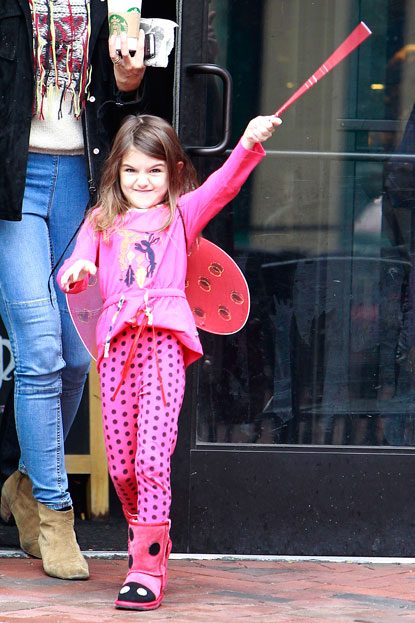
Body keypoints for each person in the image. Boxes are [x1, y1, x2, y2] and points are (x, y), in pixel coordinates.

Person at [57, 112, 281, 609]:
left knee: (152, 460)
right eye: (132, 170)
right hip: (116, 350)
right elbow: (75, 266)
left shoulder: (182, 214)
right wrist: (78, 270)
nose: (142, 180)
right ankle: (146, 534)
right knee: (123, 469)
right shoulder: (100, 220)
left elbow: (223, 185)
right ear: (116, 171)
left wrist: (247, 142)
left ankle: (146, 567)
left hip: (162, 348)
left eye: (155, 170)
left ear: (174, 172)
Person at [0, 1, 146, 581]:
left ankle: (25, 485)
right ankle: (56, 514)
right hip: (14, 184)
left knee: (77, 354)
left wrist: (129, 81)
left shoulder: (108, 4)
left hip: (80, 184)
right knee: (40, 350)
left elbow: (117, 104)